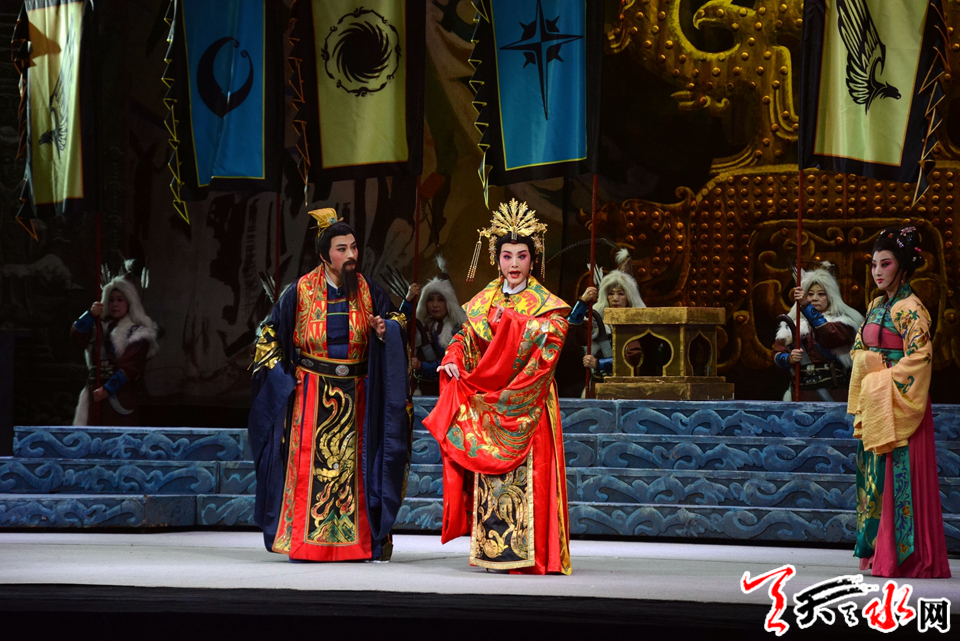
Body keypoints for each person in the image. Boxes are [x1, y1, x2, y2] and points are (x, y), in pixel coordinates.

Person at [248, 209, 411, 563]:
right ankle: (307, 543)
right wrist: (282, 377)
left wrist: (386, 330)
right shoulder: (300, 291)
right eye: (342, 249)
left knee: (356, 469)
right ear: (324, 256)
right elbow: (268, 335)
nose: (351, 255)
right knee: (310, 468)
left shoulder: (370, 290)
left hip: (359, 393)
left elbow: (397, 319)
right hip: (310, 394)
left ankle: (359, 544)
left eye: (354, 247)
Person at [422, 199, 572, 575]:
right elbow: (467, 338)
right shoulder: (483, 300)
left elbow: (550, 344)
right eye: (507, 256)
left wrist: (512, 324)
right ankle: (493, 551)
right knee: (490, 476)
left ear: (533, 259)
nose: (514, 264)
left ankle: (534, 555)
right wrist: (454, 356)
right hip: (490, 403)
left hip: (529, 398)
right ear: (497, 258)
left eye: (522, 256)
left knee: (531, 477)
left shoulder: (548, 306)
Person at [848, 226, 950, 578]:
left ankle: (905, 557)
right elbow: (859, 349)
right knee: (875, 476)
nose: (877, 271)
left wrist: (883, 377)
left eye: (885, 264)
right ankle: (880, 553)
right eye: (874, 264)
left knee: (897, 476)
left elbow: (921, 356)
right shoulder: (876, 305)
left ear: (903, 267)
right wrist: (869, 364)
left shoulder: (911, 308)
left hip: (900, 401)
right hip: (879, 400)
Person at [71, 275, 158, 425]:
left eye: (120, 299)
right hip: (93, 393)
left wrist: (107, 389)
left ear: (129, 302)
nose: (114, 304)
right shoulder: (97, 327)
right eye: (111, 300)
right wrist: (90, 314)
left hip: (120, 395)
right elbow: (77, 335)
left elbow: (130, 367)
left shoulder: (138, 333)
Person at [773, 265, 864, 401]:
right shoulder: (792, 326)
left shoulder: (844, 323)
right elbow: (777, 354)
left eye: (821, 294)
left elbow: (829, 337)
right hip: (801, 395)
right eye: (810, 294)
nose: (815, 298)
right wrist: (789, 358)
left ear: (830, 297)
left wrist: (806, 306)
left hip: (833, 394)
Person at [570, 251, 646, 381]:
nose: (615, 298)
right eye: (611, 293)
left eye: (621, 294)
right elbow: (572, 329)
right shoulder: (596, 321)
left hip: (626, 384)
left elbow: (633, 358)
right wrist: (582, 302)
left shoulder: (638, 325)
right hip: (598, 383)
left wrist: (598, 363)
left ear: (629, 297)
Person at [408, 257, 467, 396]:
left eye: (440, 300)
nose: (435, 305)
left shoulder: (458, 329)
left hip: (448, 388)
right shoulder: (422, 326)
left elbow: (456, 361)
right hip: (421, 387)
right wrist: (408, 300)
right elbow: (401, 326)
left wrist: (422, 366)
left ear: (449, 302)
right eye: (431, 300)